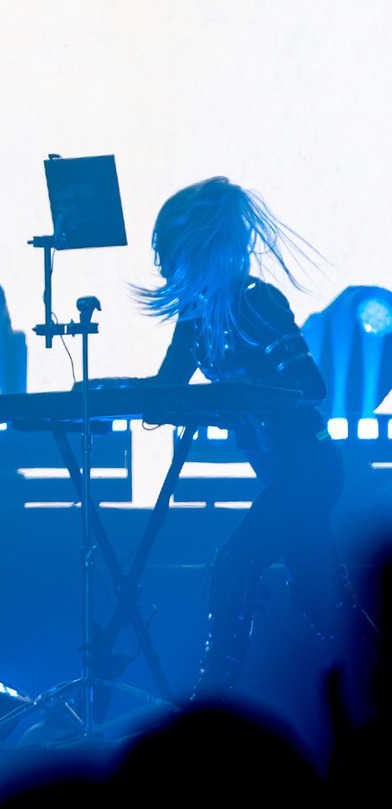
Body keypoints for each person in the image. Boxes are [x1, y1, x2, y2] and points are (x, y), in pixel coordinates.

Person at [136, 177, 352, 697]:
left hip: (309, 472)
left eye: (165, 249)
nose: (160, 264)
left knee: (236, 566)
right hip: (284, 477)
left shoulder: (256, 304)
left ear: (194, 247)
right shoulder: (195, 320)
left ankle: (209, 702)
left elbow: (310, 387)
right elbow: (167, 391)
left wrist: (231, 401)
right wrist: (107, 390)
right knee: (325, 602)